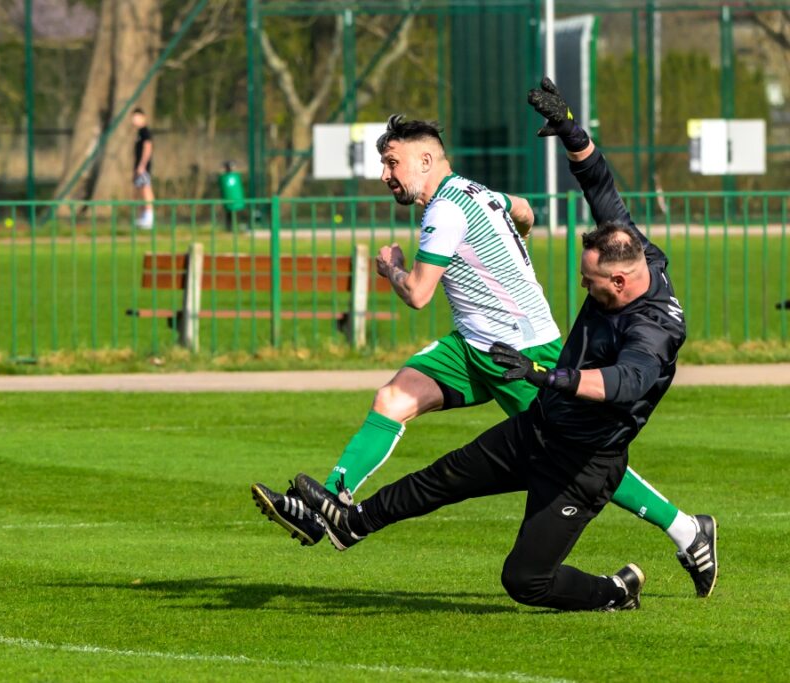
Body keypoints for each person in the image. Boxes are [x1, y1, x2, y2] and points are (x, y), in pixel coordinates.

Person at [253, 98, 716, 598]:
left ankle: (687, 530)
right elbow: (528, 209)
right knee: (393, 400)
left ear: (426, 160)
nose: (385, 174)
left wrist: (391, 269)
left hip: (519, 351)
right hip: (473, 342)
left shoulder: (446, 210)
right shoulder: (470, 191)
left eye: (392, 162)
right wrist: (568, 135)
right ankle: (331, 508)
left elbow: (419, 294)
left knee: (579, 453)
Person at [131, 108, 154, 229]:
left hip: (143, 168)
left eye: (137, 117)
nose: (134, 120)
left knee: (146, 189)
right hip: (139, 167)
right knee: (140, 190)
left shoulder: (145, 132)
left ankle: (149, 218)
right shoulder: (139, 133)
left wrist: (142, 165)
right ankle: (143, 217)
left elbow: (148, 147)